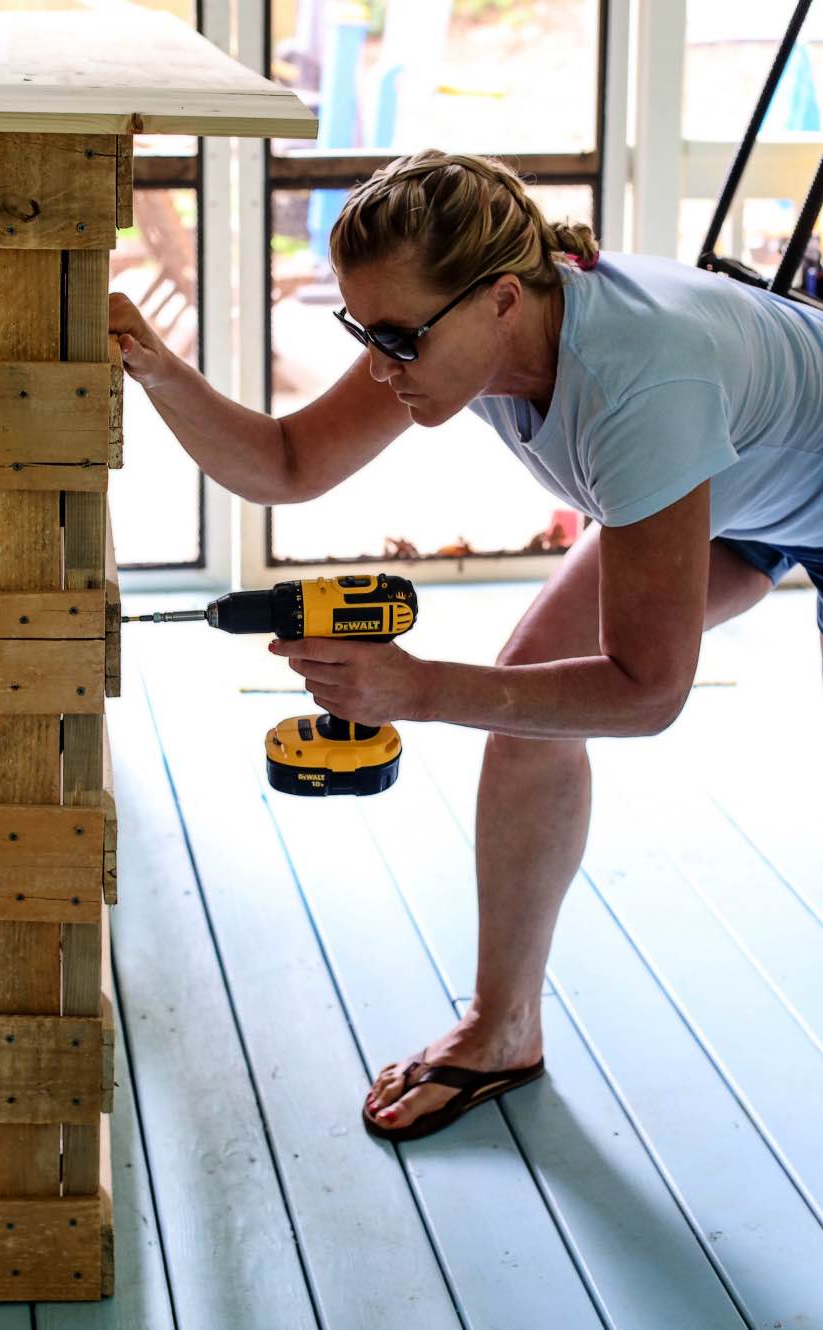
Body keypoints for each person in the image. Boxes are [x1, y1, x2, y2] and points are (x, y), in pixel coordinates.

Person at [108, 149, 823, 1145]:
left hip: (769, 461)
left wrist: (419, 687)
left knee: (537, 692)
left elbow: (646, 694)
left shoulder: (640, 384)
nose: (381, 363)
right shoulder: (460, 333)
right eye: (363, 331)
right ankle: (502, 1029)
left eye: (397, 338)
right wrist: (148, 360)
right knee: (530, 712)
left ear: (497, 299)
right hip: (742, 475)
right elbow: (286, 461)